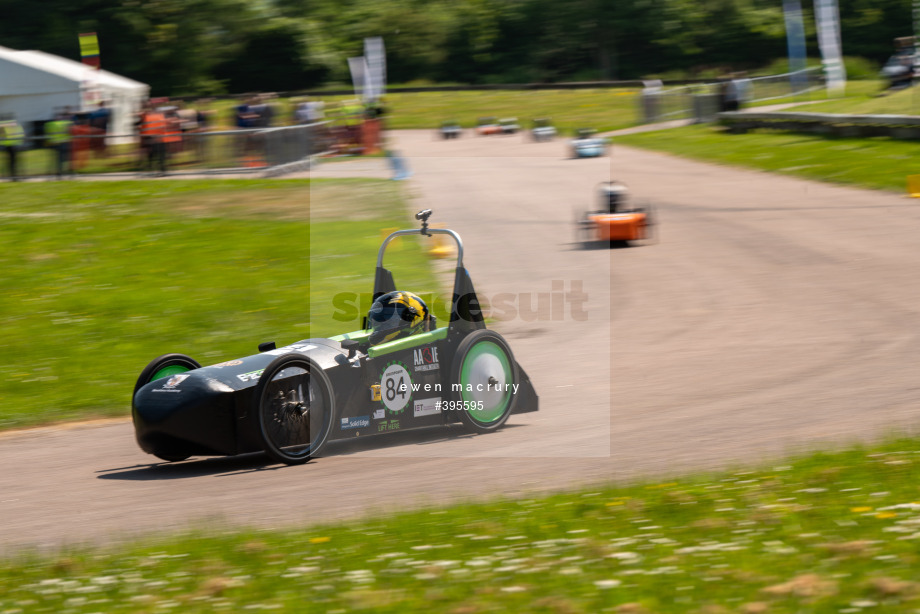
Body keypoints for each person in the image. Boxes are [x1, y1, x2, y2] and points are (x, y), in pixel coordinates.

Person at [139, 103, 169, 175]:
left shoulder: (159, 117)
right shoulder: (147, 117)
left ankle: (161, 169)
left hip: (160, 139)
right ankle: (154, 168)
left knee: (160, 155)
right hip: (153, 139)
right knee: (153, 155)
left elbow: (163, 126)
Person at [44, 111, 74, 179]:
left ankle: (57, 173)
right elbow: (71, 129)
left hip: (54, 144)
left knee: (56, 160)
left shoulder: (50, 124)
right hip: (64, 143)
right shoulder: (65, 123)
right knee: (66, 159)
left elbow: (48, 133)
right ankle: (67, 173)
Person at [0, 115, 25, 181]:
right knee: (13, 163)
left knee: (13, 163)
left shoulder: (5, 126)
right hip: (13, 146)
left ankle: (14, 177)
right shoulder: (15, 126)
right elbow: (22, 134)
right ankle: (14, 177)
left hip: (12, 146)